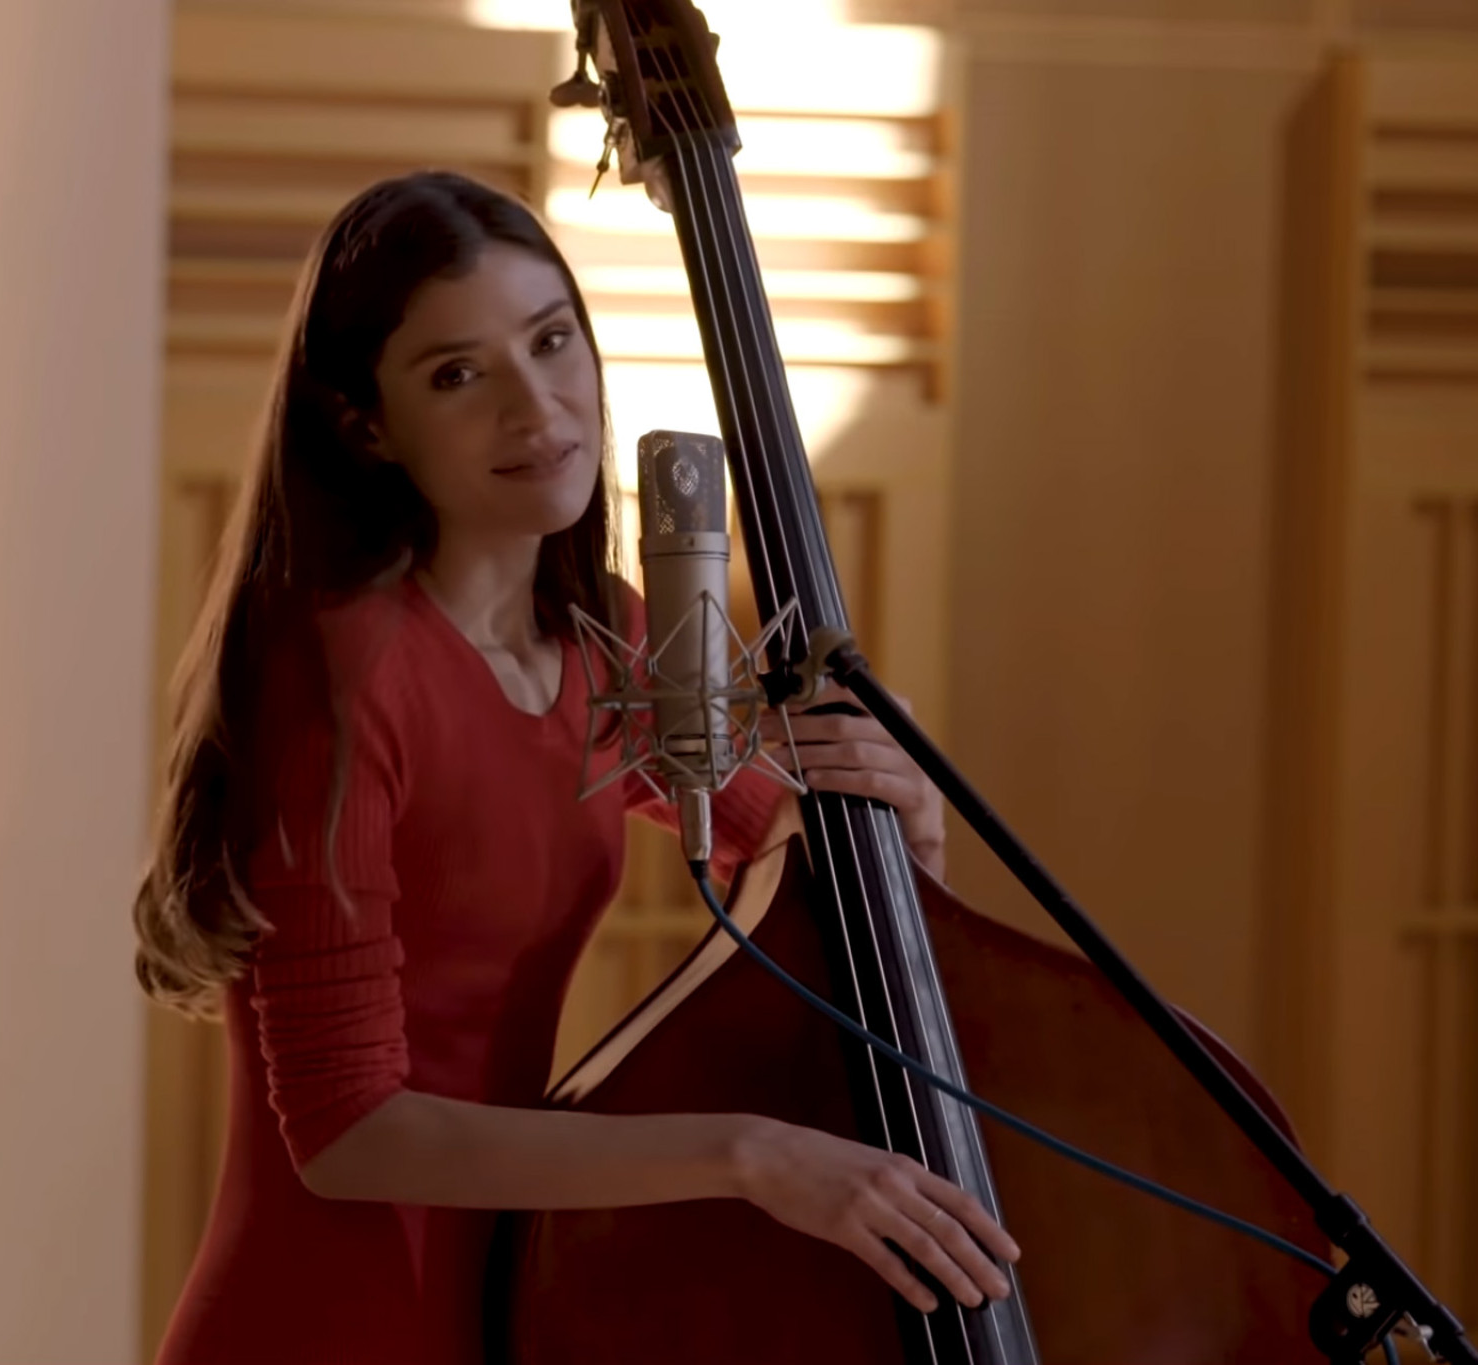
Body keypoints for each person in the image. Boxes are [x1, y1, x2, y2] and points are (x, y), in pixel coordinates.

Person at [131, 170, 1018, 1365]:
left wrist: (898, 825)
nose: (536, 405)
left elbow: (793, 865)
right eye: (458, 374)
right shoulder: (337, 675)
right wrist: (746, 1156)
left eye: (552, 341)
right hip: (323, 1324)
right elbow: (350, 1136)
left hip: (507, 1307)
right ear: (365, 426)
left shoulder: (605, 634)